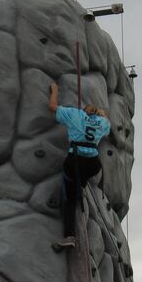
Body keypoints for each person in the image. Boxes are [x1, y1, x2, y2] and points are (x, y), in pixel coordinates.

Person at [48, 81, 111, 249]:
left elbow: (52, 106)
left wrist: (54, 90)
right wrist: (102, 115)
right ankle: (79, 190)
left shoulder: (74, 114)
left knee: (69, 200)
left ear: (84, 110)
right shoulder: (102, 122)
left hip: (75, 160)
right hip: (93, 164)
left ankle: (69, 236)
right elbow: (106, 123)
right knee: (78, 184)